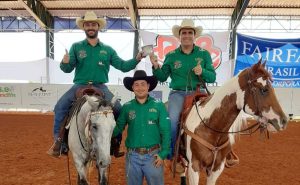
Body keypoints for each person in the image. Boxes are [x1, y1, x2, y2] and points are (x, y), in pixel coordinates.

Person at [47, 11, 143, 158]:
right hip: (79, 85)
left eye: (93, 24)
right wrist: (64, 62)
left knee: (118, 109)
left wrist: (136, 59)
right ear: (84, 27)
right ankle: (59, 142)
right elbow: (67, 69)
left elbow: (123, 66)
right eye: (87, 24)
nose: (90, 27)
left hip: (100, 86)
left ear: (98, 27)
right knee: (60, 107)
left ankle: (115, 142)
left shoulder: (108, 50)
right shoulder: (76, 47)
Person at [149, 19, 216, 161]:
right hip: (177, 93)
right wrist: (155, 66)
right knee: (172, 121)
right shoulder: (171, 55)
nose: (186, 35)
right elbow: (162, 76)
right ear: (179, 36)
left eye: (190, 33)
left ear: (194, 36)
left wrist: (202, 71)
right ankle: (172, 153)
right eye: (183, 33)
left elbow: (212, 77)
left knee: (215, 119)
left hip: (199, 93)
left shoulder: (204, 54)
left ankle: (220, 151)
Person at [113, 70, 171, 185]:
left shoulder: (159, 106)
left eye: (143, 84)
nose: (140, 88)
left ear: (148, 86)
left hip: (153, 156)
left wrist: (163, 153)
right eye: (136, 85)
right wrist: (102, 132)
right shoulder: (127, 107)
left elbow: (165, 131)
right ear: (132, 87)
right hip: (132, 157)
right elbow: (118, 128)